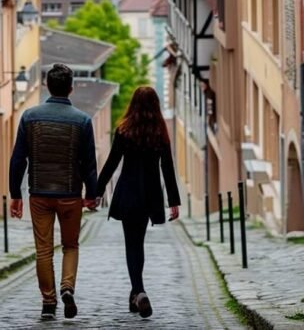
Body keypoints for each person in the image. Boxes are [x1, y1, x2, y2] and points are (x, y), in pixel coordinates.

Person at [9, 63, 99, 321]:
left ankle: (48, 302)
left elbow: (18, 159)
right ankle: (67, 287)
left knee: (43, 250)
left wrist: (16, 194)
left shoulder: (29, 116)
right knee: (70, 245)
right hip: (70, 193)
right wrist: (91, 194)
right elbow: (88, 164)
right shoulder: (82, 121)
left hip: (39, 194)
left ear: (48, 85)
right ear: (71, 88)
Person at [96, 85, 181, 319]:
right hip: (149, 196)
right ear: (155, 106)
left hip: (128, 193)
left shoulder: (124, 130)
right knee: (139, 244)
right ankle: (137, 292)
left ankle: (139, 291)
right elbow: (167, 167)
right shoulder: (160, 132)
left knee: (131, 244)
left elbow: (112, 162)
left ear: (133, 105)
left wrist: (96, 190)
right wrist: (173, 201)